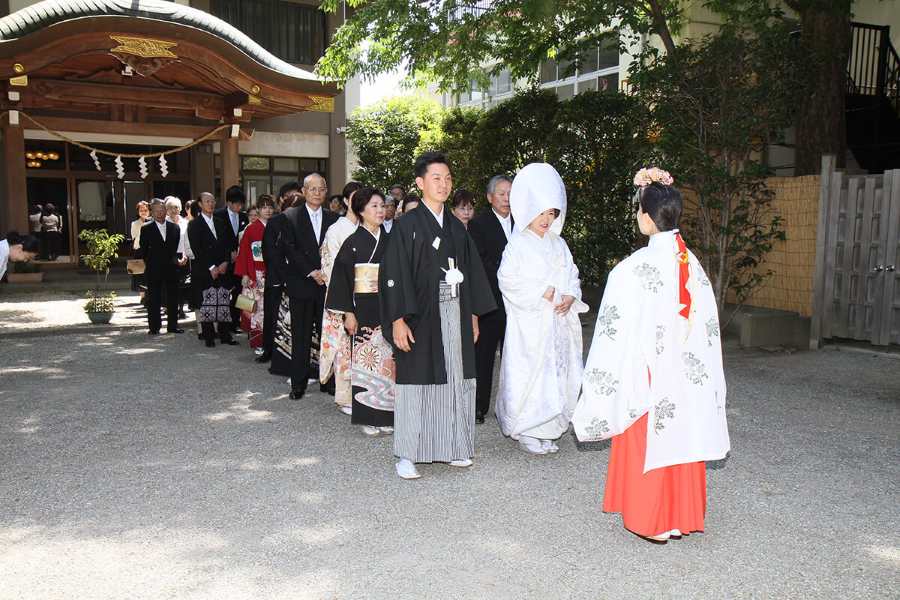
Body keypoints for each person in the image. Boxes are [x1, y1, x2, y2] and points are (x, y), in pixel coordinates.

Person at [572, 168, 730, 543]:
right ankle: (680, 516)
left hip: (647, 374)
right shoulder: (692, 265)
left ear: (645, 217)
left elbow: (613, 331)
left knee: (648, 440)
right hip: (685, 373)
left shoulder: (632, 269)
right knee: (682, 437)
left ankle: (653, 520)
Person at [379, 151, 496, 480]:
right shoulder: (406, 226)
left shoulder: (457, 227)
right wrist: (397, 319)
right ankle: (408, 453)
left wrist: (473, 315)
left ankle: (454, 446)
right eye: (436, 178)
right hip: (419, 314)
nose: (443, 184)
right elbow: (393, 274)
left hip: (455, 311)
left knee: (456, 378)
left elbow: (471, 272)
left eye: (447, 178)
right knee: (416, 381)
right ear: (420, 183)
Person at [495, 163, 587, 454]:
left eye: (551, 213)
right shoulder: (517, 244)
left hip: (557, 322)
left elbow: (572, 273)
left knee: (555, 375)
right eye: (541, 213)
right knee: (530, 375)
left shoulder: (559, 244)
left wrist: (570, 295)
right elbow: (507, 279)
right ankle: (527, 430)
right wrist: (542, 291)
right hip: (530, 324)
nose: (546, 220)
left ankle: (548, 429)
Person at [326, 187, 396, 435]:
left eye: (382, 206)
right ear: (361, 211)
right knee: (367, 361)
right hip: (363, 307)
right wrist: (348, 313)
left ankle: (387, 414)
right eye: (374, 206)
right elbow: (341, 280)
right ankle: (368, 416)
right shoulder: (353, 242)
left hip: (387, 306)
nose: (380, 210)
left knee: (388, 362)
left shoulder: (391, 240)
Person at [277, 173, 337, 399]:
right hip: (301, 284)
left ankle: (328, 380)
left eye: (321, 189)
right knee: (300, 337)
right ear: (303, 191)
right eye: (313, 189)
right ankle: (298, 383)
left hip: (326, 287)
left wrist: (325, 273)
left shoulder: (334, 218)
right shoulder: (290, 216)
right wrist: (312, 272)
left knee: (327, 336)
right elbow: (289, 248)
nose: (317, 193)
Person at [468, 175, 514, 424]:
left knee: (515, 355)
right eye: (501, 193)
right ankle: (478, 406)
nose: (507, 198)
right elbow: (480, 261)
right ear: (490, 197)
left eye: (510, 193)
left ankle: (512, 406)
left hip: (518, 303)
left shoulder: (524, 222)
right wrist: (507, 279)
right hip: (491, 301)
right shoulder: (478, 224)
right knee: (483, 356)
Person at [319, 181, 363, 413]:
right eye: (355, 197)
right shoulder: (336, 230)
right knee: (344, 348)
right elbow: (331, 268)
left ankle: (365, 394)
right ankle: (345, 397)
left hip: (367, 296)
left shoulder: (369, 228)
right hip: (343, 295)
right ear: (346, 201)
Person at [258, 182, 303, 366]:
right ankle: (268, 350)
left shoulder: (305, 223)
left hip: (300, 279)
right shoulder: (275, 222)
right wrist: (286, 274)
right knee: (272, 315)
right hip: (277, 278)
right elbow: (269, 253)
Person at [188, 192, 237, 347]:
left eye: (212, 201)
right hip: (205, 269)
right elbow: (197, 249)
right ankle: (208, 336)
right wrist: (211, 267)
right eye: (207, 201)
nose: (210, 204)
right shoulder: (194, 224)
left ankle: (225, 335)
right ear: (200, 204)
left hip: (222, 267)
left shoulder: (220, 222)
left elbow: (228, 245)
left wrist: (225, 262)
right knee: (207, 302)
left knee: (224, 301)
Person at [235, 195, 276, 350]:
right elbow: (244, 253)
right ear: (258, 209)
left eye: (270, 207)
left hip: (274, 273)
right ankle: (259, 343)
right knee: (258, 310)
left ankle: (274, 342)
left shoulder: (276, 226)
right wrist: (245, 274)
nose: (268, 210)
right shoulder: (251, 229)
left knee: (274, 308)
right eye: (264, 207)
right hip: (256, 273)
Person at [139, 199, 184, 335]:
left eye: (162, 210)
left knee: (173, 298)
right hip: (154, 268)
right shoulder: (146, 228)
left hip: (171, 268)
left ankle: (173, 326)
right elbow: (143, 250)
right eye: (156, 210)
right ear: (151, 212)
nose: (160, 213)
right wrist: (151, 262)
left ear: (166, 211)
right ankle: (154, 327)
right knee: (154, 299)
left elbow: (176, 249)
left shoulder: (175, 228)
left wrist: (178, 259)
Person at [215, 185, 248, 332]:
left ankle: (236, 322)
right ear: (229, 202)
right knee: (223, 294)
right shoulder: (218, 215)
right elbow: (217, 240)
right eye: (237, 204)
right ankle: (223, 327)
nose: (239, 207)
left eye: (241, 204)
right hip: (224, 262)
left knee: (239, 293)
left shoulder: (244, 217)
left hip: (240, 263)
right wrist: (228, 254)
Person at [164, 196, 190, 319]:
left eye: (176, 207)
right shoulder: (164, 223)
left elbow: (187, 240)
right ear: (167, 210)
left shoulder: (185, 222)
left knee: (182, 284)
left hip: (183, 254)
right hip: (169, 257)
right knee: (170, 284)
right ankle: (170, 308)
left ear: (180, 208)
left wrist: (185, 255)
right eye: (170, 208)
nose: (173, 210)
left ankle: (181, 309)